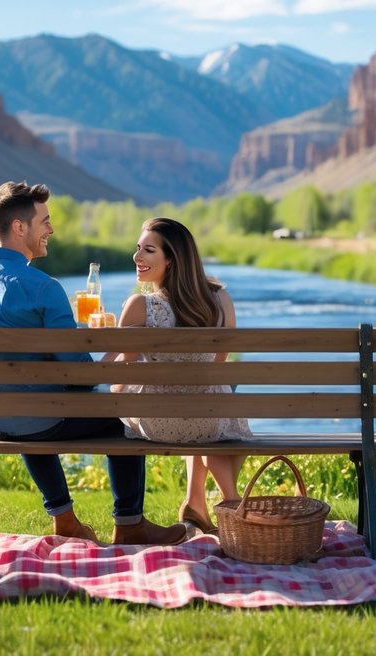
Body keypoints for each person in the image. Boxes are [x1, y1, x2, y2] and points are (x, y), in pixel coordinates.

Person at [0, 181, 185, 546]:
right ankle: (129, 523)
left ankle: (65, 520)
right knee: (123, 415)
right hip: (43, 418)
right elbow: (77, 376)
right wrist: (105, 366)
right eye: (44, 221)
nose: (51, 229)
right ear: (19, 228)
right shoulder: (45, 288)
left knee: (28, 404)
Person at [103, 217, 251, 535]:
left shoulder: (139, 305)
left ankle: (200, 503)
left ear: (170, 260)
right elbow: (218, 366)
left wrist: (110, 352)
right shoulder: (221, 300)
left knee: (188, 407)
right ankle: (220, 500)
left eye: (148, 250)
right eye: (138, 248)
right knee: (210, 405)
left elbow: (118, 374)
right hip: (210, 420)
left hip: (157, 422)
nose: (137, 257)